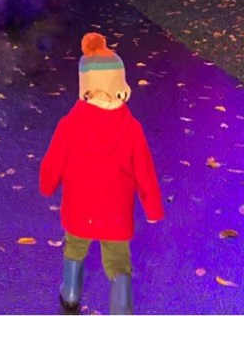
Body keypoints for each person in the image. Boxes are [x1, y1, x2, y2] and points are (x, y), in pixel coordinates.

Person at [39, 31, 164, 314]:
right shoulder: (131, 129)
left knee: (74, 247)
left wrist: (48, 185)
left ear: (85, 85)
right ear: (119, 84)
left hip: (78, 207)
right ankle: (121, 309)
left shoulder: (69, 125)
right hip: (116, 213)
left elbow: (53, 161)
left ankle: (70, 294)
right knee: (118, 261)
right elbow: (145, 171)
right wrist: (153, 208)